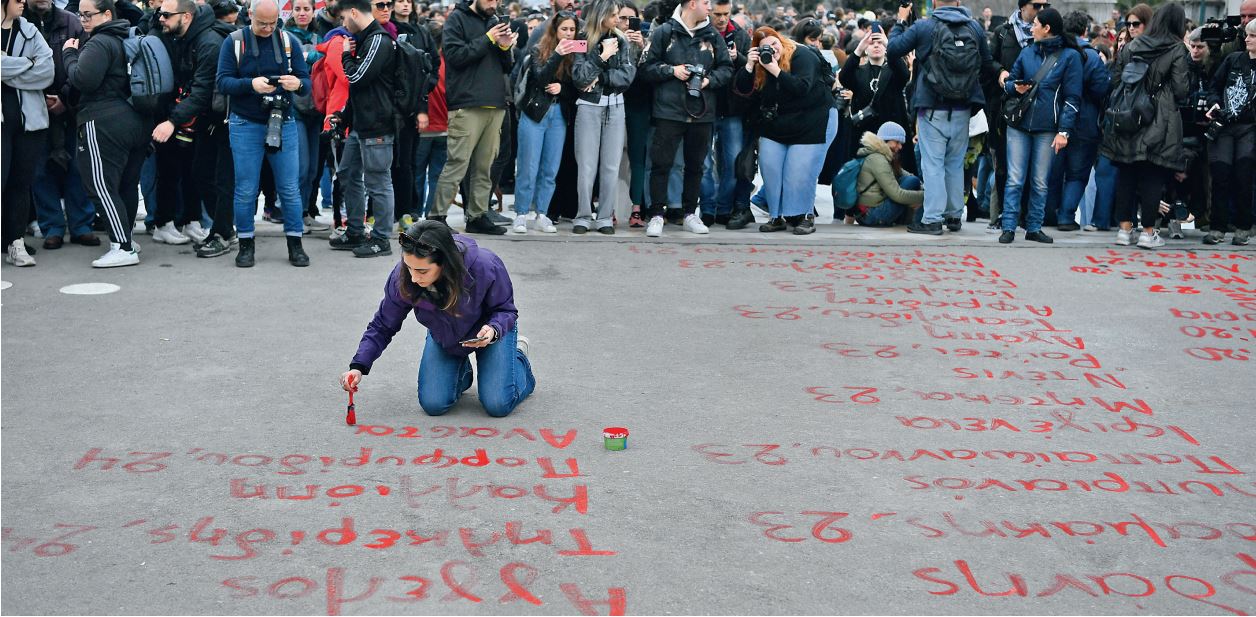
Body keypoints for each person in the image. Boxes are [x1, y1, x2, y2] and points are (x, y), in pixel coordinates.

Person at [341, 220, 536, 418]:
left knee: (498, 404)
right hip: (446, 335)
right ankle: (461, 373)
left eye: (422, 271)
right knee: (433, 404)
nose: (414, 277)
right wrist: (358, 366)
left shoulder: (485, 265)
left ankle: (517, 357)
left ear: (445, 262)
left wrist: (494, 329)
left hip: (492, 332)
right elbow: (383, 324)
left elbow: (506, 310)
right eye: (408, 267)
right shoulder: (404, 277)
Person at [881, 0, 1001, 235]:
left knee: (933, 164)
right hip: (963, 108)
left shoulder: (925, 27)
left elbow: (893, 49)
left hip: (932, 107)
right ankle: (954, 216)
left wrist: (900, 20)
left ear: (934, 2)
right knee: (954, 164)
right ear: (958, 2)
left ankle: (932, 219)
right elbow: (986, 63)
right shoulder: (974, 27)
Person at [215, 0, 313, 267]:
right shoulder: (234, 41)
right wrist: (251, 85)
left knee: (290, 189)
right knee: (246, 189)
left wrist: (297, 84)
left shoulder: (289, 40)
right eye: (262, 24)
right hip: (245, 123)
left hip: (284, 121)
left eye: (273, 23)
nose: (269, 28)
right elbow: (222, 81)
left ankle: (296, 244)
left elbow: (306, 85)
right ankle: (245, 244)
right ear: (250, 16)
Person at [63, 0, 149, 267]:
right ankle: (127, 237)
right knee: (125, 185)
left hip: (102, 120)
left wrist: (69, 55)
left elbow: (84, 79)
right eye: (80, 15)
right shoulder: (125, 37)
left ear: (107, 14)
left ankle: (122, 246)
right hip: (134, 119)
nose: (82, 20)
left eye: (88, 15)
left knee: (99, 185)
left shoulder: (100, 42)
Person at [641, 0, 733, 237]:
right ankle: (657, 215)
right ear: (692, 3)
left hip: (702, 111)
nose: (709, 7)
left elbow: (726, 69)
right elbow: (646, 68)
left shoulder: (712, 35)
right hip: (668, 110)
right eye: (706, 2)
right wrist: (671, 70)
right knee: (661, 164)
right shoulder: (664, 31)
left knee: (696, 166)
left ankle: (691, 213)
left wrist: (708, 81)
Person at [1100, 2, 1188, 250]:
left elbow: (1117, 80)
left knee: (1127, 172)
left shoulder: (1132, 45)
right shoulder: (1177, 48)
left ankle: (1124, 230)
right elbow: (1181, 89)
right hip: (1160, 119)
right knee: (1152, 174)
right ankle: (1149, 232)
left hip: (1129, 116)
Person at [425, 0, 516, 235]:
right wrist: (488, 38)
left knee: (485, 166)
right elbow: (455, 56)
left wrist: (505, 47)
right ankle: (437, 217)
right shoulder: (457, 18)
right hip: (466, 102)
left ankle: (477, 215)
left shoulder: (494, 21)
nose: (493, 3)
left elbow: (506, 66)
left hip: (495, 102)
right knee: (457, 163)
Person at [735, 26, 836, 234]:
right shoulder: (760, 63)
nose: (772, 50)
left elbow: (801, 88)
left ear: (781, 40)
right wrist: (749, 65)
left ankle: (805, 215)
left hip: (812, 119)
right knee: (770, 167)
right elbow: (743, 90)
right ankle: (776, 217)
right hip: (777, 123)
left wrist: (774, 69)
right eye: (765, 47)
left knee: (799, 170)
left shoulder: (802, 55)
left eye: (774, 44)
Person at [152, 0, 235, 249]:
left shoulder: (208, 43)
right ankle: (219, 230)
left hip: (219, 121)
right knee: (198, 173)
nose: (161, 18)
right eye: (159, 13)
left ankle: (222, 232)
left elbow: (202, 91)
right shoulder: (187, 37)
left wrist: (172, 121)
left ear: (186, 16)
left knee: (215, 178)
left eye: (166, 14)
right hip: (202, 119)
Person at [996, 7, 1082, 244]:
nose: (1031, 27)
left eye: (1035, 24)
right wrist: (1015, 87)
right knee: (1014, 178)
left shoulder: (1070, 57)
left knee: (1040, 181)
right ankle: (1009, 227)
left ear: (1047, 29)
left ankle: (1034, 226)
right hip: (1020, 123)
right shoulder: (1027, 52)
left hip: (1048, 127)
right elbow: (1010, 83)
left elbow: (1073, 98)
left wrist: (1064, 131)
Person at [327, 0, 401, 258]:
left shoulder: (378, 40)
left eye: (345, 18)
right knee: (347, 173)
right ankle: (355, 230)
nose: (343, 24)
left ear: (355, 13)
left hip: (377, 123)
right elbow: (359, 89)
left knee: (378, 181)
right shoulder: (366, 39)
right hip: (360, 123)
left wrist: (346, 55)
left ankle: (381, 238)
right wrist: (344, 116)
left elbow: (356, 77)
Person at [25, 0, 99, 252]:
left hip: (71, 108)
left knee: (78, 168)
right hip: (33, 106)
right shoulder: (20, 24)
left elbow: (83, 63)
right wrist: (40, 97)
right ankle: (52, 227)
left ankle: (81, 226)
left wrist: (64, 99)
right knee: (39, 169)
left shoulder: (71, 22)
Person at [570, 0, 635, 234]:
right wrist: (602, 57)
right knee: (586, 166)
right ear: (602, 15)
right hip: (588, 107)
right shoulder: (582, 37)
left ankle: (605, 216)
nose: (619, 19)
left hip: (616, 106)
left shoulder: (623, 39)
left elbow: (628, 75)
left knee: (611, 166)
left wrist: (602, 78)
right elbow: (578, 77)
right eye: (615, 15)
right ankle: (584, 215)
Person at [510, 11, 575, 234]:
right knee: (528, 167)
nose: (568, 33)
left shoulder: (576, 52)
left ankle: (542, 213)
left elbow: (579, 85)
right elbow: (540, 78)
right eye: (564, 29)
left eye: (572, 29)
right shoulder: (539, 49)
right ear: (555, 30)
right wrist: (557, 54)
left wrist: (563, 88)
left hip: (559, 114)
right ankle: (520, 213)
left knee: (550, 169)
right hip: (535, 112)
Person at [2, 0, 53, 267]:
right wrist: (26, 64)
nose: (23, 3)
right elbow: (36, 68)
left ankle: (16, 243)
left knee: (21, 183)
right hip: (3, 123)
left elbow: (47, 72)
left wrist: (5, 68)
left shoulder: (29, 31)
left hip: (29, 123)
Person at [1049, 9, 1108, 232]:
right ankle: (1066, 215)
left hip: (1055, 119)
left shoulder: (1057, 53)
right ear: (1085, 30)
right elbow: (1102, 89)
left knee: (1054, 171)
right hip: (1085, 121)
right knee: (1077, 173)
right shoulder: (1091, 57)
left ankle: (1049, 213)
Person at [1201, 18, 1256, 246]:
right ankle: (1217, 227)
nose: (1247, 38)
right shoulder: (1233, 59)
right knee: (1220, 176)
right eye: (1248, 35)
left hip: (1249, 127)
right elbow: (1214, 86)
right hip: (1225, 125)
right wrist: (1214, 104)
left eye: (1252, 36)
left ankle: (1243, 226)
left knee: (1244, 177)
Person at [700, 0, 752, 230]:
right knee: (704, 162)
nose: (722, 19)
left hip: (733, 109)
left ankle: (723, 208)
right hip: (706, 106)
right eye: (717, 14)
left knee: (732, 163)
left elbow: (751, 73)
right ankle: (708, 208)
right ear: (708, 11)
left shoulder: (740, 35)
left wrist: (738, 58)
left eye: (726, 14)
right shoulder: (701, 32)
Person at [283, 0, 331, 233]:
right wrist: (314, 55)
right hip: (294, 110)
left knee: (313, 170)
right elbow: (294, 61)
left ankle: (304, 212)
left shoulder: (319, 36)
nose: (302, 13)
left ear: (314, 12)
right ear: (291, 11)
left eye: (307, 9)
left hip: (317, 109)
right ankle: (294, 217)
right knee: (300, 169)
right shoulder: (283, 36)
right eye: (298, 9)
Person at [852, 121, 924, 227]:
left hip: (866, 213)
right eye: (897, 142)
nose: (900, 147)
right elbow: (897, 195)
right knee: (912, 182)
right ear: (885, 140)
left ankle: (910, 220)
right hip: (872, 215)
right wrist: (927, 196)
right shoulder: (878, 160)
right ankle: (918, 222)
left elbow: (903, 173)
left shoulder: (879, 155)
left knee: (911, 180)